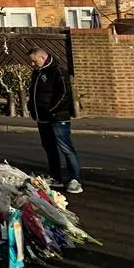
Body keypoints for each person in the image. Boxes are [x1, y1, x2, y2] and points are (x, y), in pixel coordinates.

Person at [28, 47, 82, 193]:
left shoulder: (57, 72)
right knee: (50, 149)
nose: (32, 64)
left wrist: (51, 110)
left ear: (42, 58)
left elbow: (64, 94)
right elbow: (33, 93)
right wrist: (32, 108)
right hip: (42, 118)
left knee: (66, 148)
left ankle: (75, 179)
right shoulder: (37, 73)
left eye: (34, 61)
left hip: (57, 118)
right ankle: (56, 177)